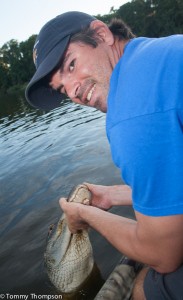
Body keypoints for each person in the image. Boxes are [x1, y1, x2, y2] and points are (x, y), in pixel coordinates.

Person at [26, 11, 183, 300]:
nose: (72, 91)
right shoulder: (157, 54)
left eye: (71, 65)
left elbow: (164, 255)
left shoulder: (131, 116)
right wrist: (112, 195)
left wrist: (85, 215)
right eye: (61, 88)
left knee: (143, 286)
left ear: (102, 34)